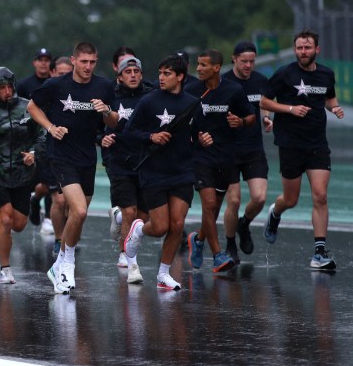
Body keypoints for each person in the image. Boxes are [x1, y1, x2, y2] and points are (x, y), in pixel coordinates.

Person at [28, 42, 117, 293]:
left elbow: (115, 120)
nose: (88, 66)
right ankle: (66, 263)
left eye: (92, 62)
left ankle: (59, 264)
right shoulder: (57, 85)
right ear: (74, 60)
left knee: (77, 217)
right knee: (79, 212)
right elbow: (32, 107)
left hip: (88, 156)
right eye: (84, 61)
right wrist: (50, 127)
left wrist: (107, 111)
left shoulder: (103, 86)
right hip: (61, 155)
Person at [260, 29, 344, 270]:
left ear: (316, 49)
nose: (303, 52)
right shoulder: (284, 74)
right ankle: (276, 213)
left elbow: (329, 99)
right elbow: (264, 101)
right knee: (291, 199)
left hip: (317, 144)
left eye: (307, 48)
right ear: (295, 49)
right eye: (299, 48)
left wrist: (335, 109)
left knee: (320, 195)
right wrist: (289, 109)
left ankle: (319, 253)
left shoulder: (326, 74)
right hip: (290, 144)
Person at [121, 55, 199, 291]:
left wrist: (204, 138)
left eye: (167, 73)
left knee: (177, 225)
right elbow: (128, 133)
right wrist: (151, 136)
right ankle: (138, 229)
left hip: (183, 171)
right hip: (154, 171)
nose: (161, 78)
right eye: (160, 73)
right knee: (160, 227)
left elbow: (200, 132)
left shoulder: (193, 103)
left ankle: (163, 274)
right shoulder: (149, 101)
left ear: (180, 77)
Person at [0, 67, 44, 284]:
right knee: (6, 219)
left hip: (23, 173)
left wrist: (33, 154)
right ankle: (5, 269)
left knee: (19, 224)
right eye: (2, 88)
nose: (7, 91)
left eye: (9, 86)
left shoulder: (28, 108)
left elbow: (42, 136)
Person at [184, 50, 253, 274]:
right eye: (198, 65)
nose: (199, 69)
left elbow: (250, 117)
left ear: (216, 67)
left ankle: (198, 239)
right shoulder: (191, 90)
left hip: (227, 157)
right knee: (209, 204)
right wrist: (196, 137)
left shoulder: (233, 90)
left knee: (212, 211)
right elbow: (182, 124)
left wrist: (240, 122)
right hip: (201, 157)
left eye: (204, 65)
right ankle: (217, 255)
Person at [102, 55, 154, 281]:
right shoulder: (110, 96)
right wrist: (101, 139)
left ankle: (120, 218)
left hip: (146, 161)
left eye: (136, 72)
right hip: (120, 161)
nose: (132, 75)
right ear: (119, 77)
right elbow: (98, 125)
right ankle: (126, 256)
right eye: (128, 72)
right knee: (131, 210)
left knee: (142, 216)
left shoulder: (151, 96)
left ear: (141, 74)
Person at [221, 41, 273, 261]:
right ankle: (230, 244)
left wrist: (267, 119)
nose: (248, 65)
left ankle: (244, 224)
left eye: (252, 61)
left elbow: (266, 104)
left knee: (260, 198)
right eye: (244, 61)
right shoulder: (223, 80)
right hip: (229, 149)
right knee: (233, 201)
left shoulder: (261, 81)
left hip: (253, 147)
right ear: (234, 59)